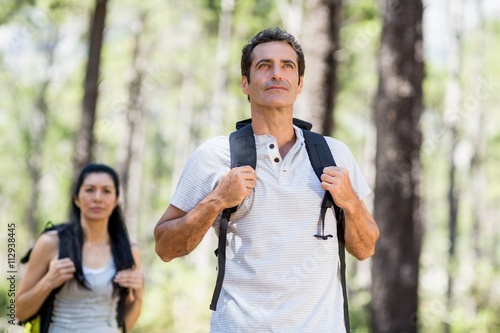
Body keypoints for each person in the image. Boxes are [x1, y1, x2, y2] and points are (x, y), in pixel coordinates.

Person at [154, 27, 379, 332]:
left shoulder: (334, 153)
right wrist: (217, 200)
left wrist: (351, 202)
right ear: (245, 83)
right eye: (264, 66)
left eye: (288, 66)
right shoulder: (214, 155)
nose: (277, 74)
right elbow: (166, 247)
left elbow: (366, 248)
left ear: (299, 83)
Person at [16, 163, 144, 333]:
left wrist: (140, 296)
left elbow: (125, 324)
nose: (97, 197)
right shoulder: (51, 243)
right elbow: (19, 311)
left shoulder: (128, 252)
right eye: (90, 190)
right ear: (76, 198)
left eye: (106, 191)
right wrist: (48, 281)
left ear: (115, 200)